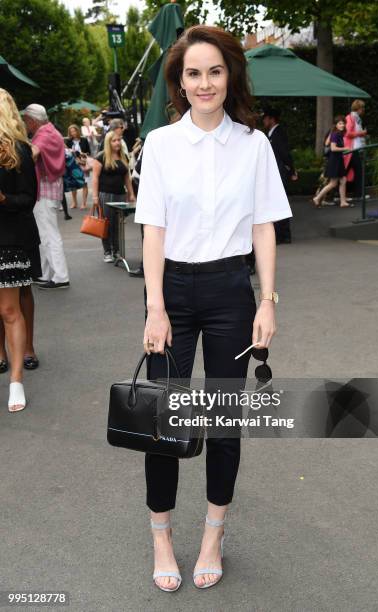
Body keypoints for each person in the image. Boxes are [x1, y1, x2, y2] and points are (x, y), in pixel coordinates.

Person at [134, 25, 292, 592]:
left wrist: (267, 301)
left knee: (224, 423)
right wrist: (155, 306)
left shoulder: (254, 147)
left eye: (215, 71)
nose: (205, 83)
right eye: (194, 73)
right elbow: (152, 231)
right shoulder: (160, 144)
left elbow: (265, 227)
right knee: (164, 420)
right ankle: (161, 535)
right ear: (180, 82)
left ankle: (212, 534)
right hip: (171, 290)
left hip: (230, 291)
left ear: (231, 76)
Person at [0, 88, 40, 411]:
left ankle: (16, 382)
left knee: (10, 310)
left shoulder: (20, 151)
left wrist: (3, 200)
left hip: (9, 240)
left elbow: (29, 200)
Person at [22, 104, 70, 290]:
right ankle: (46, 274)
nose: (25, 124)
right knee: (46, 233)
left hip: (45, 189)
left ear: (32, 120)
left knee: (48, 234)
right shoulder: (52, 131)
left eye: (26, 120)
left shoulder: (43, 135)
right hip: (51, 187)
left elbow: (33, 154)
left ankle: (60, 276)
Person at [92, 131, 135, 262]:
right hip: (106, 194)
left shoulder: (124, 157)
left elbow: (127, 177)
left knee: (118, 224)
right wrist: (94, 196)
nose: (117, 143)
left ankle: (116, 251)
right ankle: (107, 251)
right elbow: (95, 177)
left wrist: (131, 193)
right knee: (106, 223)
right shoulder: (101, 157)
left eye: (119, 140)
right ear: (108, 142)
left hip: (120, 195)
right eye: (114, 140)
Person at [262, 107, 297, 244]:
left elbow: (284, 153)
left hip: (280, 173)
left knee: (279, 203)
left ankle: (283, 235)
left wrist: (292, 170)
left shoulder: (278, 133)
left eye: (265, 118)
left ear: (271, 119)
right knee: (277, 203)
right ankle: (281, 234)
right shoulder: (272, 133)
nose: (263, 121)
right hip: (276, 172)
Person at [313, 115, 352, 208]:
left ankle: (343, 202)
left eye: (343, 123)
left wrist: (345, 149)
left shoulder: (338, 133)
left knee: (343, 180)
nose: (342, 125)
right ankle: (317, 198)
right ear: (336, 125)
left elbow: (331, 146)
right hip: (334, 161)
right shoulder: (335, 134)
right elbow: (333, 148)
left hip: (338, 160)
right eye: (340, 123)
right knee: (333, 183)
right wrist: (345, 148)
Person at [344, 99, 368, 201]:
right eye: (362, 107)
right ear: (358, 108)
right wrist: (361, 133)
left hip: (354, 149)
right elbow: (347, 133)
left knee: (348, 172)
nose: (363, 110)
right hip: (351, 149)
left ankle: (339, 195)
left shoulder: (355, 118)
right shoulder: (351, 118)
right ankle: (358, 195)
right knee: (358, 171)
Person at [65, 124, 91, 209]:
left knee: (84, 183)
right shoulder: (68, 141)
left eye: (74, 131)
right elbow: (66, 153)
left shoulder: (84, 140)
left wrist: (84, 154)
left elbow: (89, 152)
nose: (73, 133)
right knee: (73, 183)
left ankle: (84, 203)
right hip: (73, 164)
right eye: (71, 132)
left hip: (83, 163)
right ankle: (74, 202)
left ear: (77, 131)